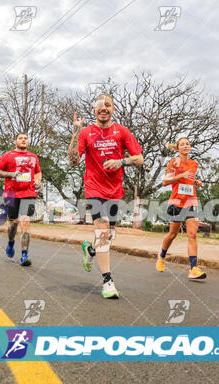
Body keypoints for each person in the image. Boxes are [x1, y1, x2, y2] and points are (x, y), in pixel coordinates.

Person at [67, 94, 143, 299]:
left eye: (107, 105)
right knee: (102, 232)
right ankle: (108, 281)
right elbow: (74, 161)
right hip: (94, 189)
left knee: (108, 236)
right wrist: (75, 132)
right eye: (100, 105)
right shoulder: (86, 132)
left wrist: (121, 162)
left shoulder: (122, 131)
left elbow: (139, 158)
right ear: (94, 110)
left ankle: (90, 250)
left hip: (115, 191)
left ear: (113, 109)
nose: (104, 108)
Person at [156, 137, 206, 280]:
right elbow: (165, 181)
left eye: (187, 144)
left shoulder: (194, 164)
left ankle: (193, 269)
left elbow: (189, 180)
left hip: (190, 201)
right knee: (172, 234)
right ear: (178, 148)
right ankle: (162, 256)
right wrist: (181, 175)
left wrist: (196, 181)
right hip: (176, 202)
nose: (185, 146)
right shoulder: (174, 162)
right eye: (182, 144)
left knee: (193, 234)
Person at [0, 133, 41, 266]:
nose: (23, 140)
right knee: (14, 223)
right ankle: (10, 242)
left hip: (29, 193)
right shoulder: (7, 156)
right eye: (20, 138)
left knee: (25, 222)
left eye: (25, 138)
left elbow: (38, 172)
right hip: (12, 194)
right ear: (15, 141)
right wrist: (11, 174)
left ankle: (24, 255)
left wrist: (38, 179)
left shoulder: (34, 157)